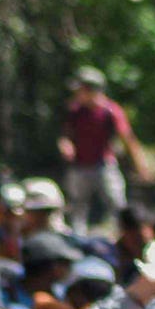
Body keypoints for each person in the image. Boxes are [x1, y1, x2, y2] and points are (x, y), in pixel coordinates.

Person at [58, 69, 139, 232]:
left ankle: (124, 235)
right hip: (79, 166)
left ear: (91, 90)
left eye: (80, 90)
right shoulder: (75, 111)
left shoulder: (111, 111)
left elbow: (127, 138)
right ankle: (77, 238)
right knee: (76, 206)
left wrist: (139, 165)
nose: (77, 94)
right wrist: (65, 145)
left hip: (104, 164)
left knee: (117, 203)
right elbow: (65, 136)